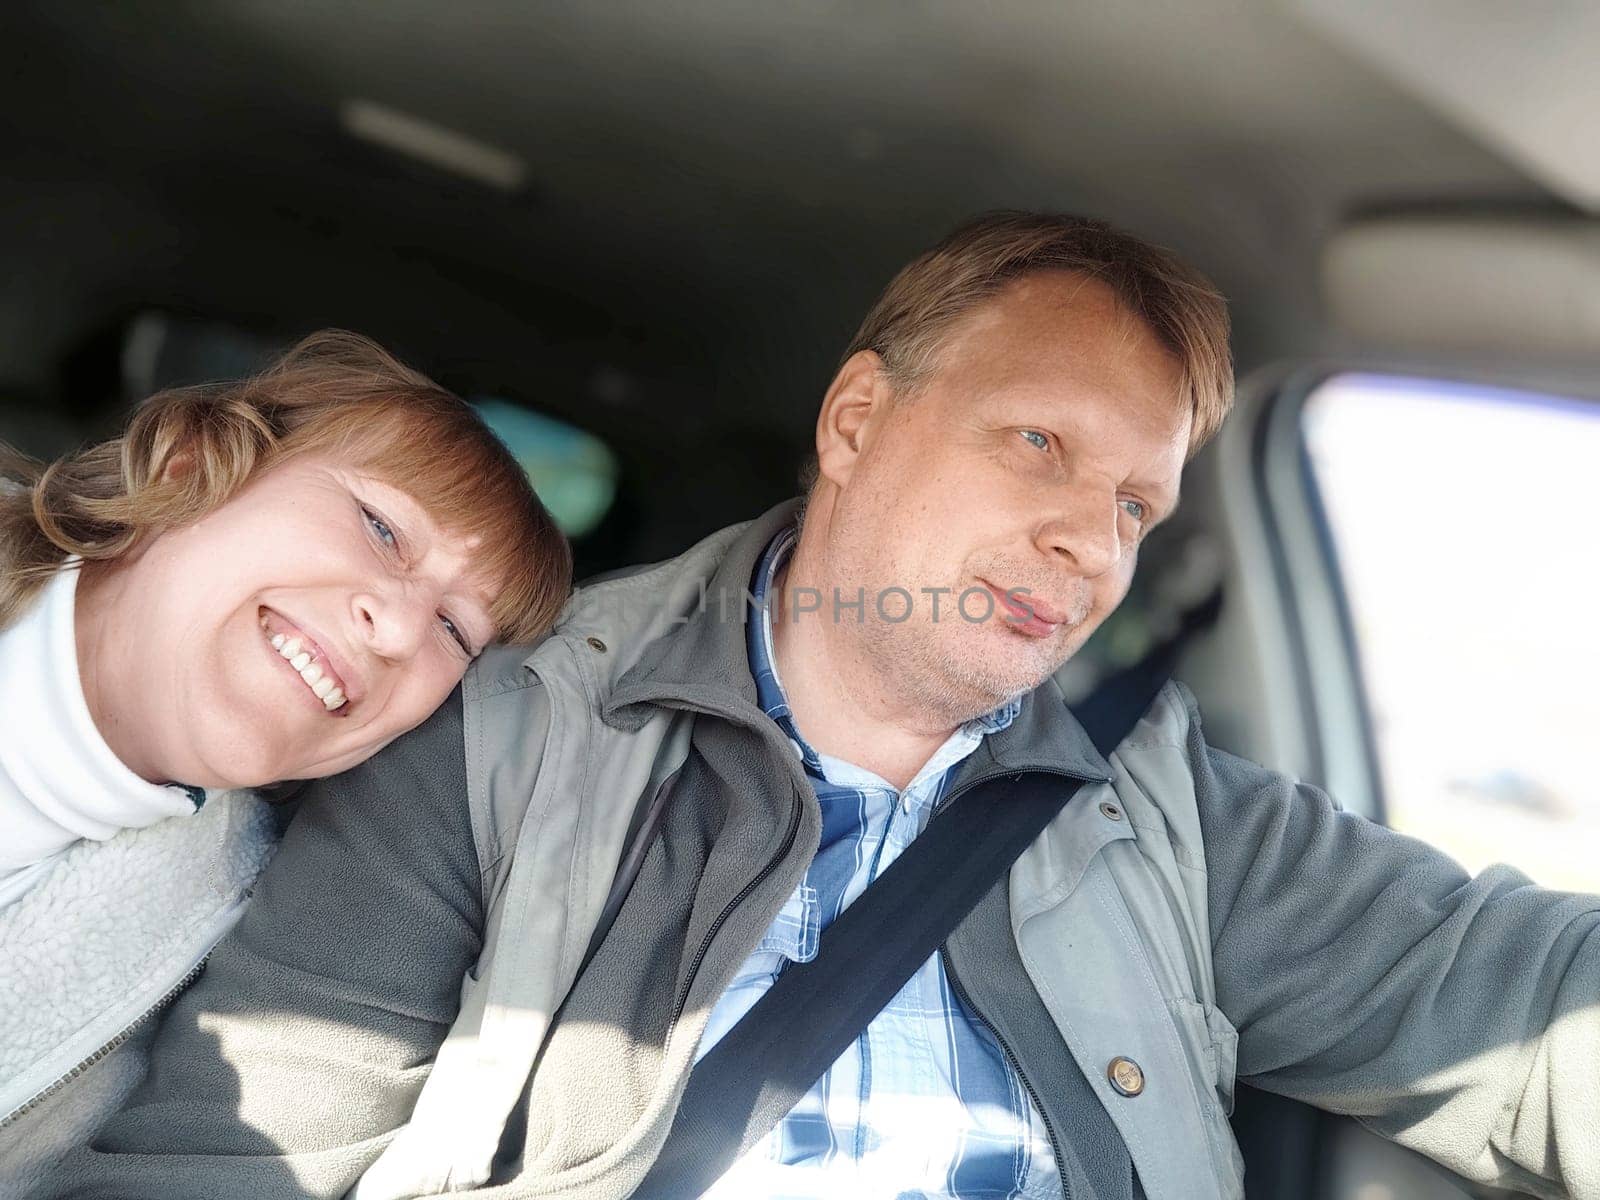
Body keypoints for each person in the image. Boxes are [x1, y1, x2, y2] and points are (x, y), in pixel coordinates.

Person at [47, 215, 1600, 1200]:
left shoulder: (1166, 805)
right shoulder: (509, 728)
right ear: (857, 419)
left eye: (1137, 502)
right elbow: (218, 1161)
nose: (1088, 538)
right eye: (1041, 446)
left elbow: (1529, 1015)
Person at [0, 331, 570, 1190]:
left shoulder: (236, 957)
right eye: (381, 527)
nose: (404, 629)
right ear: (194, 466)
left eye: (457, 631)